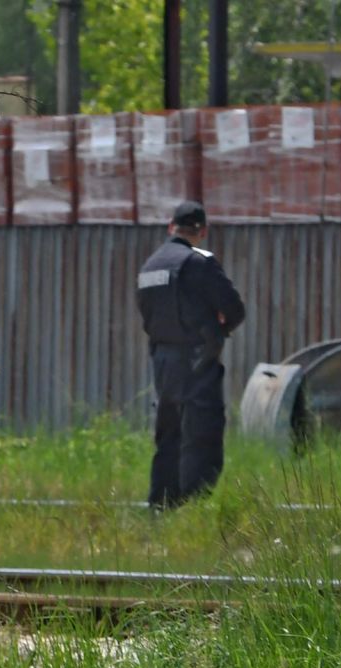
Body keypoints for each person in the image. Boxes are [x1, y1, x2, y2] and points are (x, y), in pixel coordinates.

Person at [135, 200, 246, 508]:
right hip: (197, 360)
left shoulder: (150, 265)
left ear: (171, 227)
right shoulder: (200, 262)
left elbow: (146, 313)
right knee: (202, 431)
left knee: (168, 433)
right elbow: (234, 308)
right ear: (202, 231)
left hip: (162, 361)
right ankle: (196, 504)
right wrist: (219, 326)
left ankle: (161, 504)